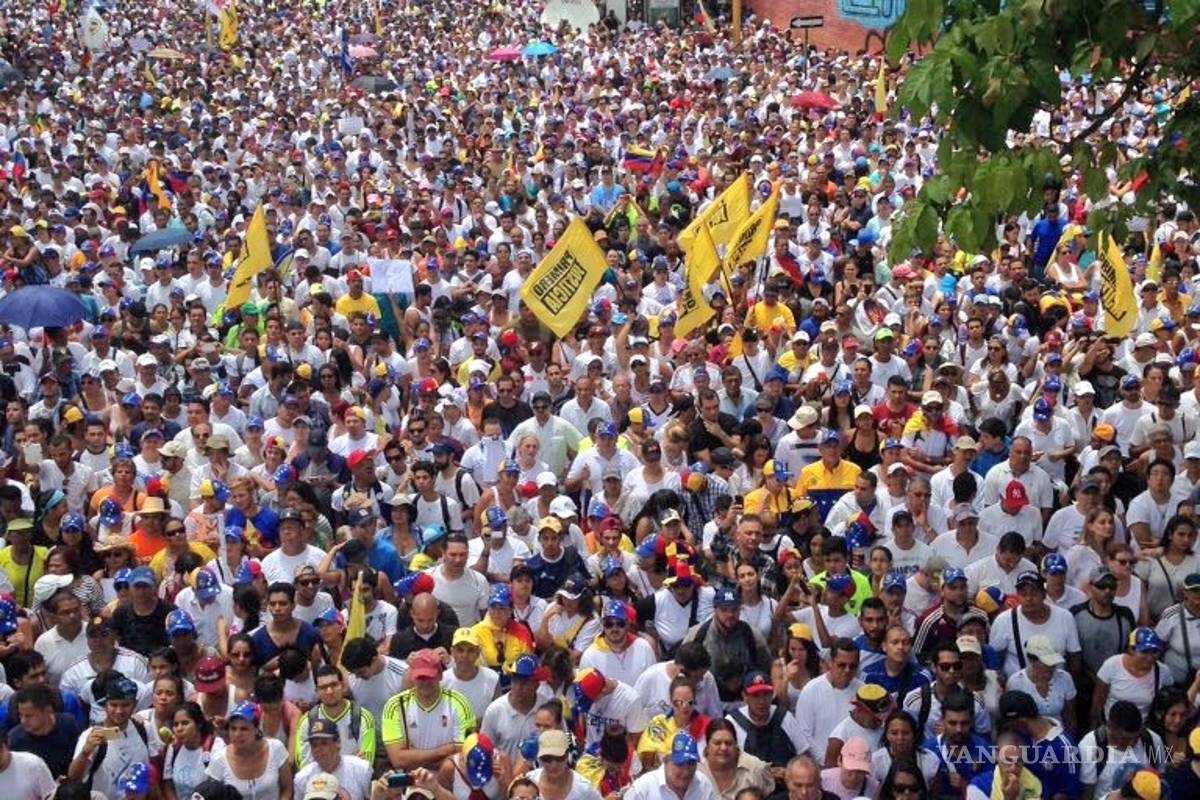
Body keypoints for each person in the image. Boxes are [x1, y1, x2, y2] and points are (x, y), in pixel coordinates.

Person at [380, 649, 476, 770]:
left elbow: (464, 755)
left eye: (429, 676)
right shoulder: (394, 706)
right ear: (412, 677)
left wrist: (414, 757)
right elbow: (398, 760)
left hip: (448, 776)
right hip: (413, 778)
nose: (425, 682)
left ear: (440, 675)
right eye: (420, 677)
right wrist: (442, 751)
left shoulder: (459, 703)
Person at [203, 701, 293, 800]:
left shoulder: (276, 748)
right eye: (233, 728)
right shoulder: (218, 759)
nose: (237, 734)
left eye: (244, 729)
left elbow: (287, 788)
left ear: (256, 729)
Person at [293, 719, 373, 800]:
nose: (318, 749)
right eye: (314, 745)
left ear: (338, 743)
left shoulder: (362, 769)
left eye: (324, 743)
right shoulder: (302, 778)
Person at [623, 731, 717, 800]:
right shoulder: (642, 789)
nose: (686, 772)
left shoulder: (703, 785)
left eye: (691, 764)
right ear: (665, 759)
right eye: (679, 764)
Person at [697, 720, 775, 800]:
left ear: (736, 745)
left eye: (728, 743)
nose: (723, 748)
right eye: (717, 743)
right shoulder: (696, 771)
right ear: (707, 746)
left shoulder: (755, 768)